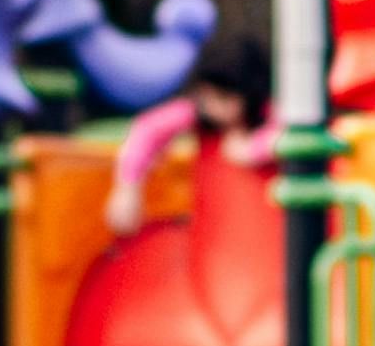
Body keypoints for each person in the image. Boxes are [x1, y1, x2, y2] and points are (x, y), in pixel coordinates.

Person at [105, 30, 276, 234]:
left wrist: (252, 150)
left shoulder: (269, 113)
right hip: (217, 236)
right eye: (206, 97)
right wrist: (128, 188)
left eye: (223, 98)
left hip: (263, 231)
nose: (212, 107)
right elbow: (147, 129)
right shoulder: (197, 115)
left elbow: (289, 135)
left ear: (250, 93)